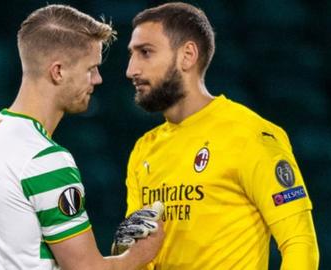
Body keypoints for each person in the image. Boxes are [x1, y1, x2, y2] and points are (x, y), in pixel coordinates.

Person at [0, 4, 164, 270]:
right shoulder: (43, 158)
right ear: (58, 71)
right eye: (91, 68)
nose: (98, 79)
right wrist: (141, 255)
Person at [120, 2, 319, 269]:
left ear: (187, 55)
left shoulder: (249, 134)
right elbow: (139, 254)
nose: (131, 70)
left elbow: (300, 244)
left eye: (145, 52)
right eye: (132, 54)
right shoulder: (144, 149)